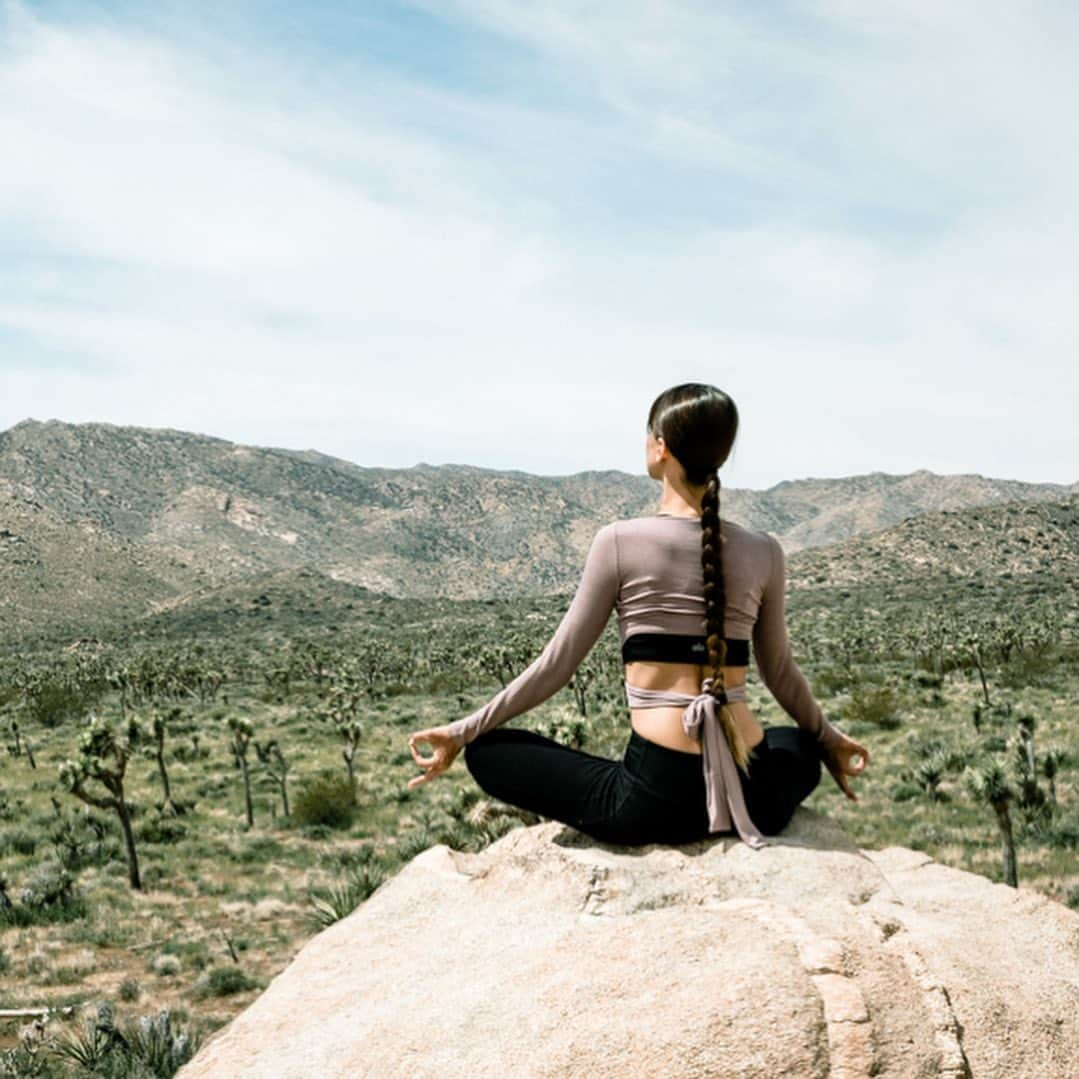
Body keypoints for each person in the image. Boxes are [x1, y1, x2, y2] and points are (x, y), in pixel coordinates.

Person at [406, 383, 870, 848]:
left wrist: (462, 732)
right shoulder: (766, 550)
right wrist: (828, 740)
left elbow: (557, 664)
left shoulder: (618, 541)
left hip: (651, 804)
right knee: (797, 743)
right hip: (754, 798)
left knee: (489, 752)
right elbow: (781, 672)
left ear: (661, 445)